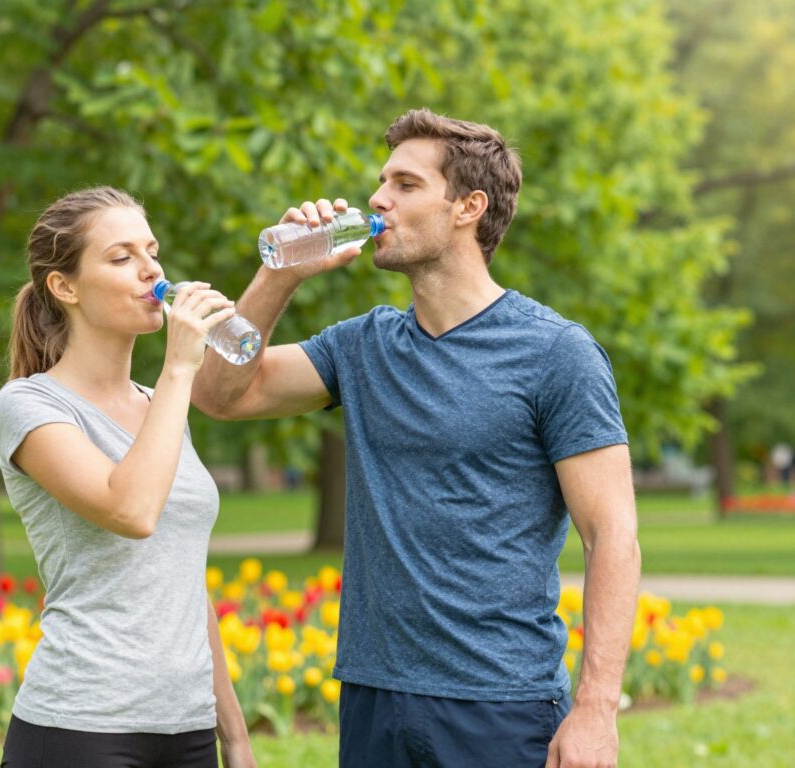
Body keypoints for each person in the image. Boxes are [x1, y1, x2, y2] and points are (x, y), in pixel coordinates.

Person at [193, 110, 641, 767]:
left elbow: (613, 536)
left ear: (467, 207)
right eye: (381, 182)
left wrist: (597, 708)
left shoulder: (555, 353)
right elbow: (219, 394)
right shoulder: (361, 345)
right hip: (373, 699)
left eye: (404, 184)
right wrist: (280, 273)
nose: (377, 199)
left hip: (499, 705)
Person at [0, 187, 256, 768]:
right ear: (65, 288)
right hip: (82, 727)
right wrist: (181, 367)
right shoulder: (29, 405)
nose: (152, 269)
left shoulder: (158, 405)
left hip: (186, 730)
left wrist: (233, 738)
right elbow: (131, 512)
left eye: (152, 251)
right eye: (121, 257)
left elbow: (183, 581)